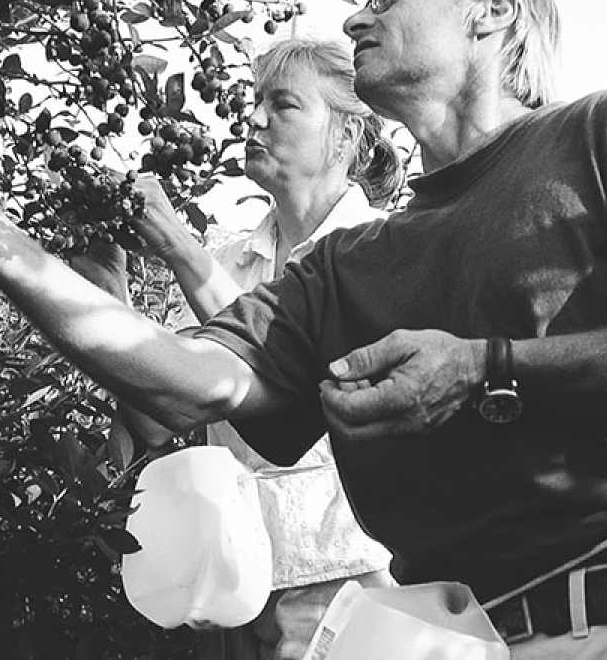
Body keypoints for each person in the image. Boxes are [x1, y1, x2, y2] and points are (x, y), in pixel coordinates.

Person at [0, 0, 607, 657]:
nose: (357, 12)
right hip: (443, 638)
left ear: (489, 10)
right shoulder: (349, 263)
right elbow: (179, 373)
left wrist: (492, 367)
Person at [115, 39, 401, 660]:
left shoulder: (377, 253)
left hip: (341, 576)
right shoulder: (230, 262)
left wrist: (174, 244)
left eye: (285, 104)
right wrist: (105, 292)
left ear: (346, 137)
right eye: (254, 101)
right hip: (233, 580)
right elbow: (162, 414)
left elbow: (284, 374)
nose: (255, 118)